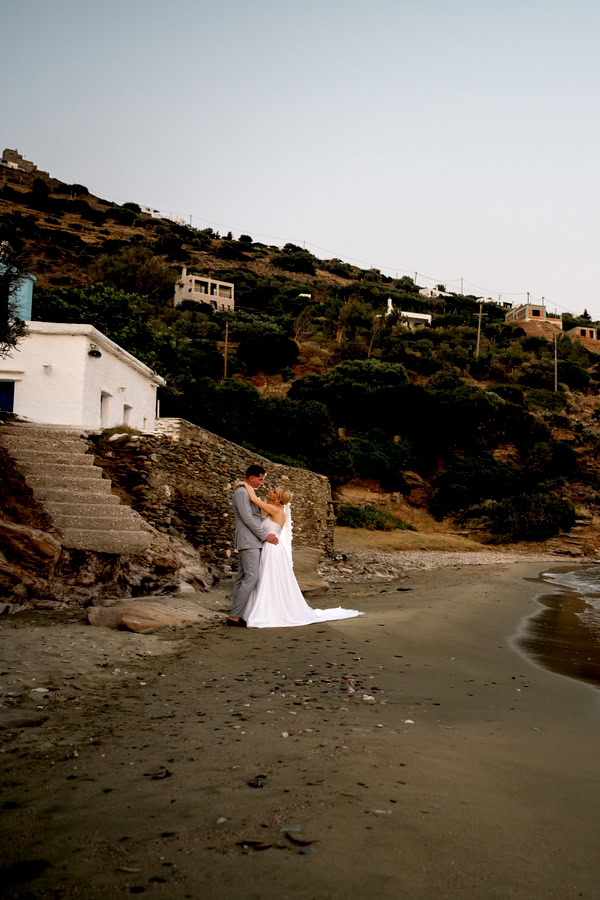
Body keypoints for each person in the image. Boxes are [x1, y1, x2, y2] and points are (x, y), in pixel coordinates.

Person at [241, 483, 363, 628]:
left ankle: (267, 610)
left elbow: (254, 499)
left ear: (279, 500)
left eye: (274, 492)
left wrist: (245, 484)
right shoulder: (274, 510)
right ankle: (264, 607)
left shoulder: (275, 509)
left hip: (272, 550)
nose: (270, 491)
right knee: (266, 579)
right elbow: (260, 517)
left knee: (268, 578)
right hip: (270, 547)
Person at [228, 464, 279, 627]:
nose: (262, 482)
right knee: (252, 577)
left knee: (243, 577)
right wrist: (265, 536)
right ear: (252, 477)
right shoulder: (242, 493)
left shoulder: (246, 491)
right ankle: (235, 617)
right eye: (260, 479)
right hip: (249, 541)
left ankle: (236, 613)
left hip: (250, 540)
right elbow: (248, 518)